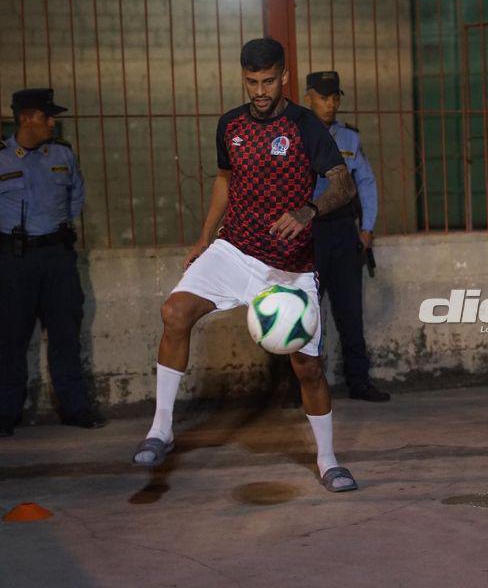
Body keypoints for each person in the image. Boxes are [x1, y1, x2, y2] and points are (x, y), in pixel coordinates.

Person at [131, 38, 361, 493]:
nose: (260, 90)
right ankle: (161, 429)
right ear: (244, 78)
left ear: (284, 78)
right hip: (234, 250)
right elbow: (225, 179)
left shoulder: (305, 126)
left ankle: (328, 459)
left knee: (308, 369)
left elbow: (344, 184)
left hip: (290, 265)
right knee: (174, 312)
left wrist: (309, 211)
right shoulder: (230, 124)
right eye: (253, 82)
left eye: (269, 81)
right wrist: (203, 238)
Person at [0, 89, 106, 437]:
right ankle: (5, 413)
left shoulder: (62, 154)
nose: (52, 122)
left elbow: (77, 194)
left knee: (66, 335)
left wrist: (54, 229)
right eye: (47, 116)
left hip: (58, 257)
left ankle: (75, 408)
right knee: (11, 337)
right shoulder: (2, 158)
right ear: (26, 118)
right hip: (15, 260)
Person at [304, 71, 390, 403]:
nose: (330, 103)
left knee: (350, 311)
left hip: (342, 231)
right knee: (306, 312)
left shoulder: (350, 138)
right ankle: (303, 386)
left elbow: (366, 183)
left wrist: (367, 228)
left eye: (335, 97)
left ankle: (359, 381)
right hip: (307, 231)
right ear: (310, 96)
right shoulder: (296, 134)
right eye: (324, 97)